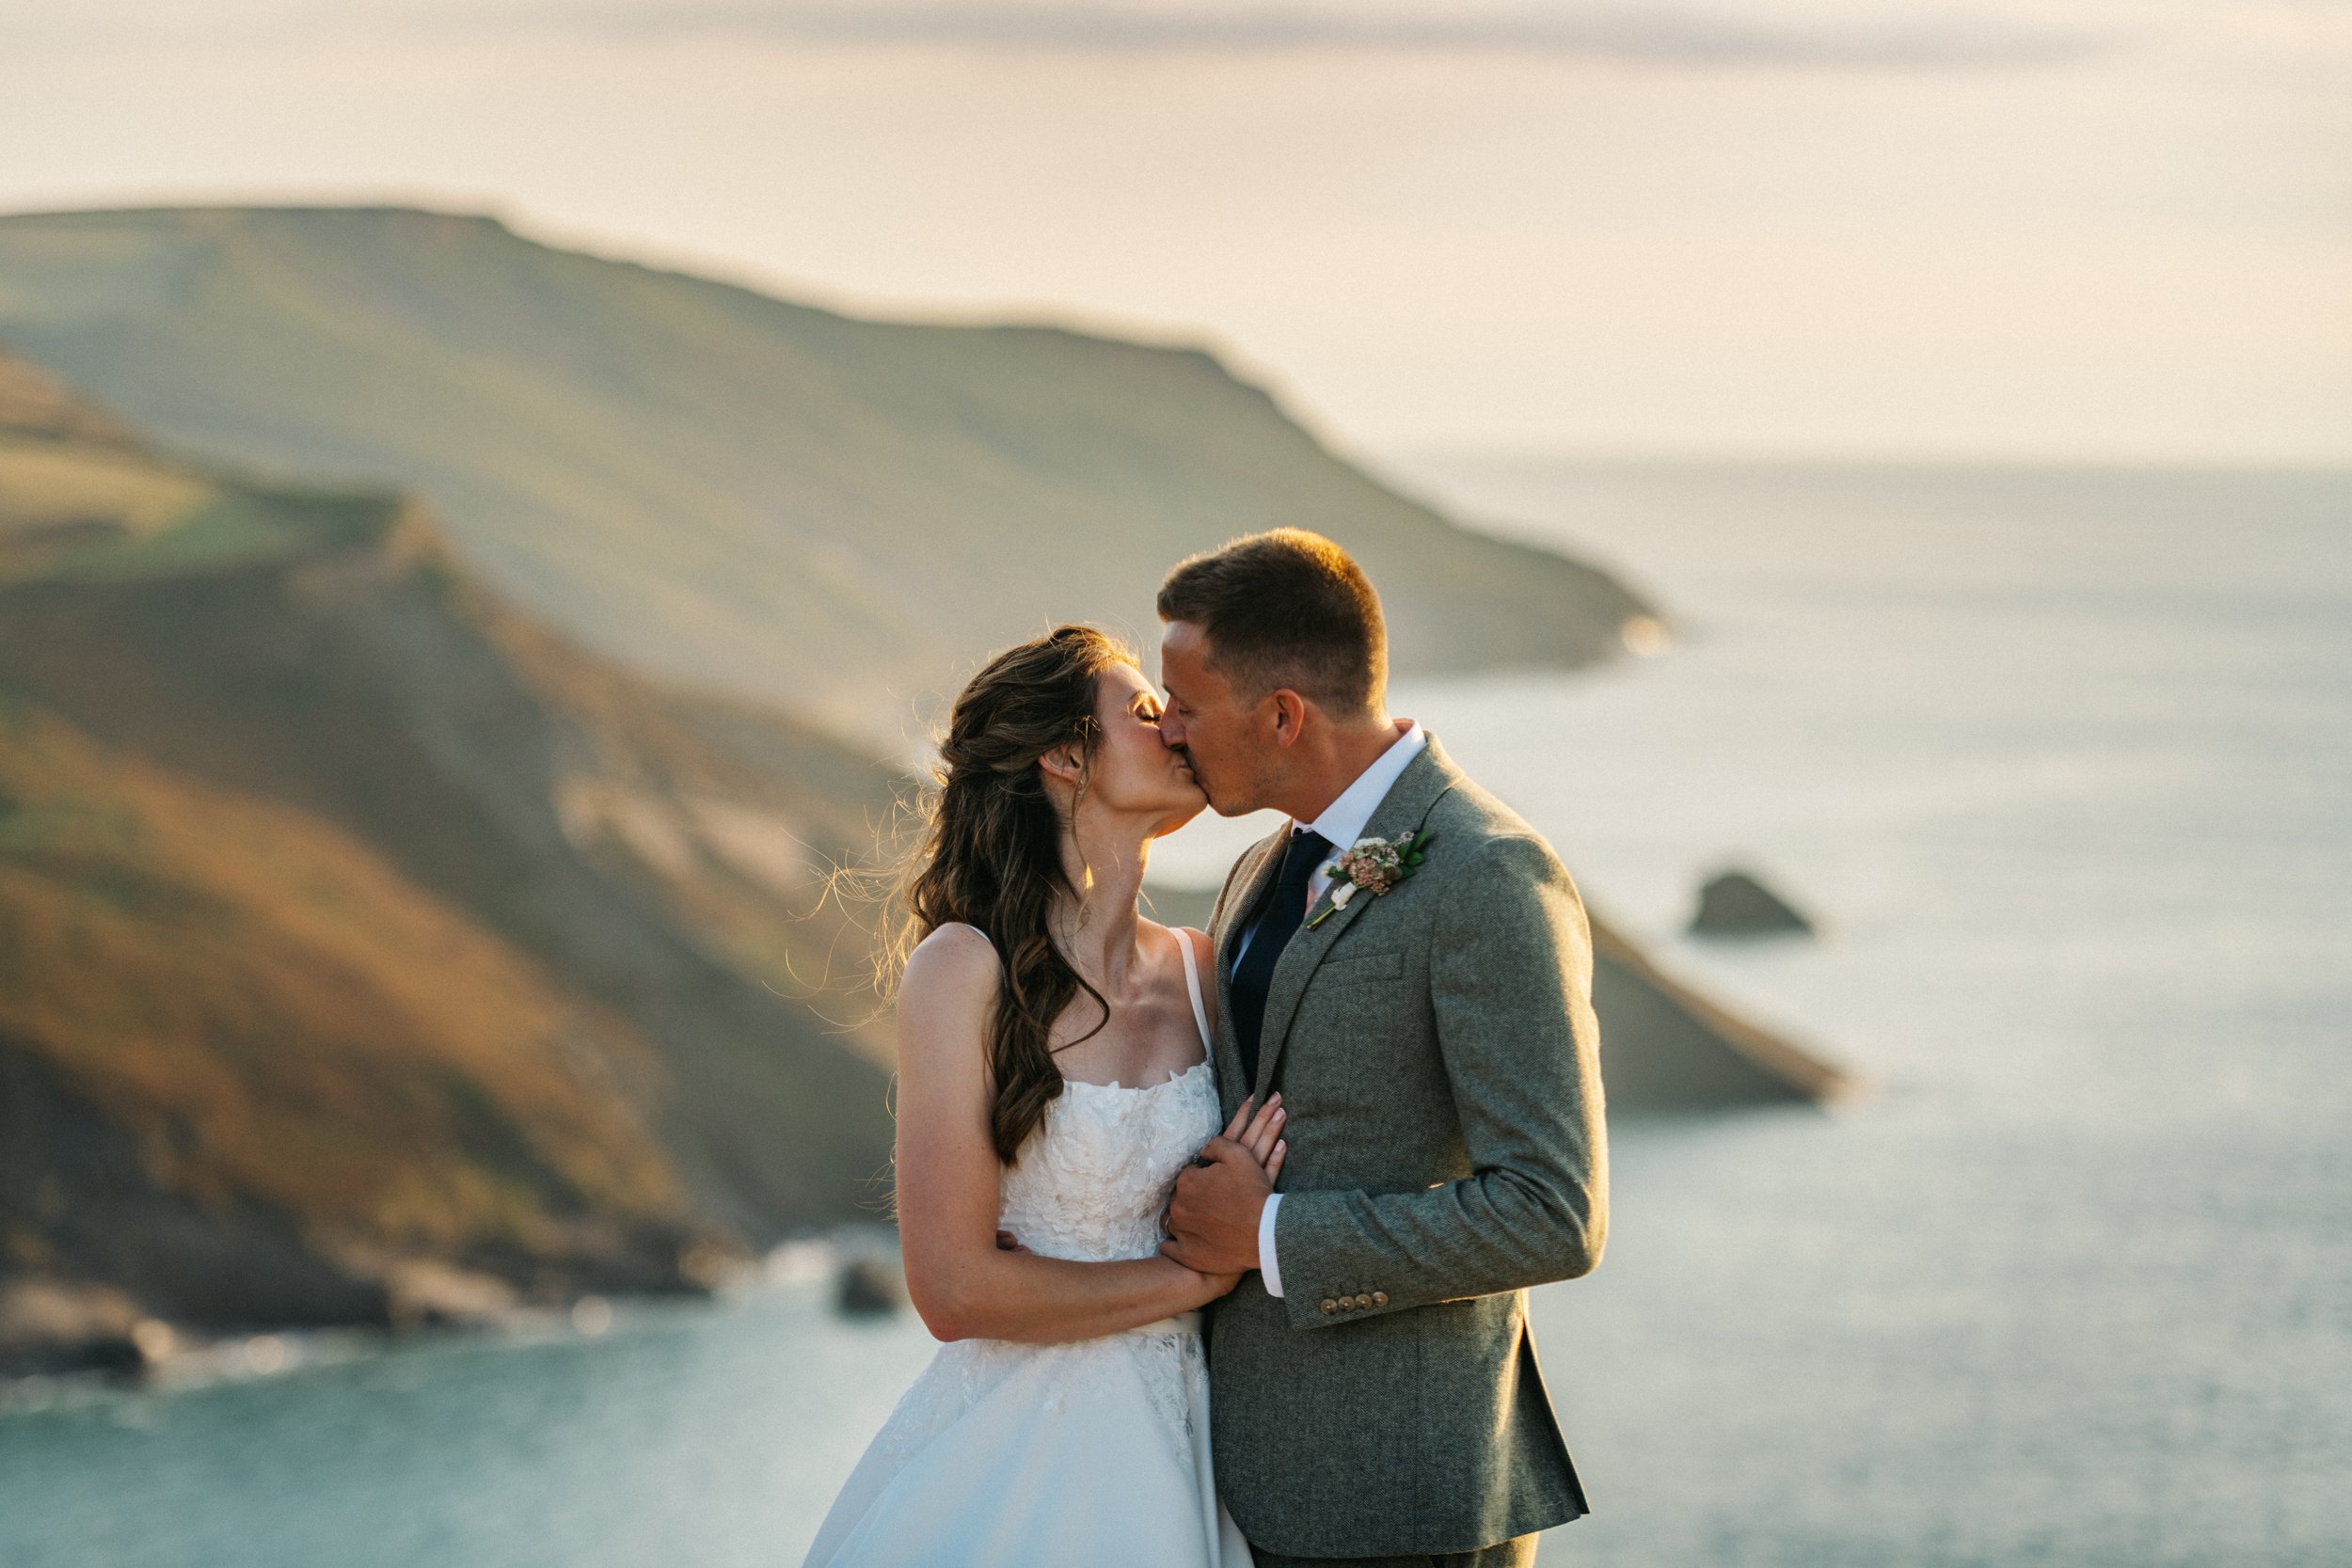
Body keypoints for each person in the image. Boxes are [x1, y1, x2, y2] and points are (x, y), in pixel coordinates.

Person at [1153, 528, 1609, 1568]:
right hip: (1244, 1488)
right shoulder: (1258, 866)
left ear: (1280, 714)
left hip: (1404, 1504)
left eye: (1186, 702)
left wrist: (1268, 1234)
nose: (1167, 727)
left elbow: (1554, 1212)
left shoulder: (1487, 875)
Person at [803, 626, 1276, 1568]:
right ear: (1065, 756)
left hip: (1185, 1440)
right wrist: (1190, 1278)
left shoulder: (1201, 967)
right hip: (1016, 1446)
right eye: (1146, 712)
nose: (1179, 728)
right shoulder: (962, 968)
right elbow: (950, 1287)